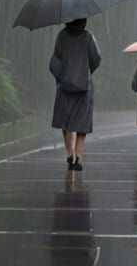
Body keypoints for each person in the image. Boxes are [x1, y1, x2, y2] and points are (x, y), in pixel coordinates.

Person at [49, 17, 101, 171]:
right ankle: (78, 156)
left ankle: (70, 153)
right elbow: (96, 59)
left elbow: (54, 61)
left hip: (65, 86)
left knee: (66, 123)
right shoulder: (88, 37)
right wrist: (86, 71)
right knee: (82, 123)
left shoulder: (62, 36)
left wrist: (61, 77)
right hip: (84, 86)